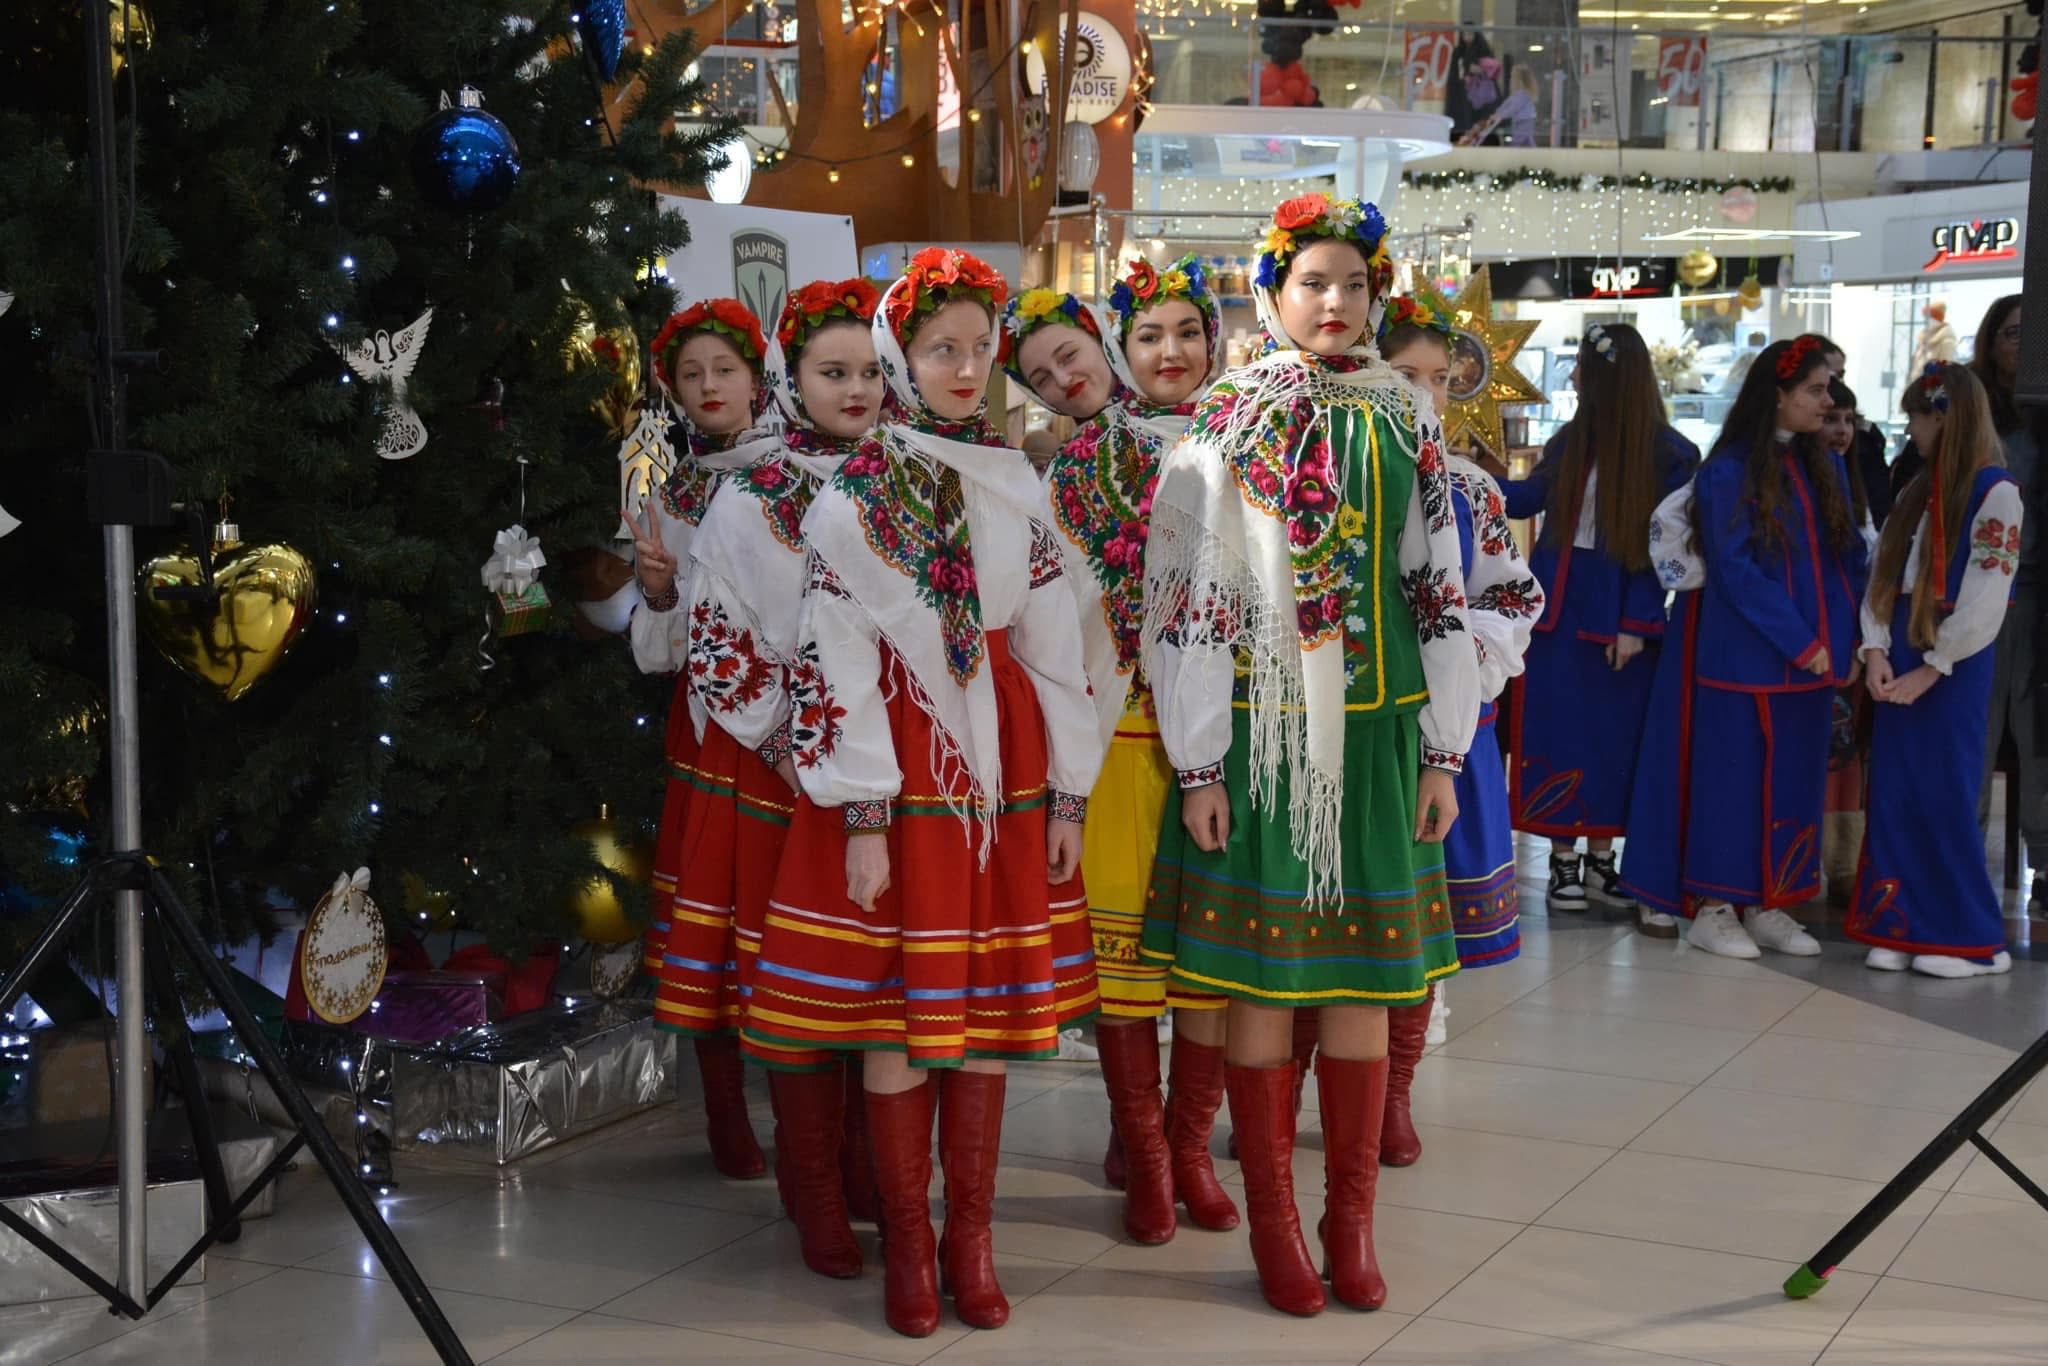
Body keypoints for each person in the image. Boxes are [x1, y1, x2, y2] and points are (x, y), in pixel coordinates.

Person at [739, 248, 1104, 1339]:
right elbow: (834, 654)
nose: (961, 366)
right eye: (939, 347)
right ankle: (907, 1238)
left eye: (976, 349)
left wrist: (1071, 793)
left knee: (982, 1017)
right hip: (899, 768)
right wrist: (861, 810)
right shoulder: (850, 497)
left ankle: (970, 1238)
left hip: (1004, 771)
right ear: (902, 356)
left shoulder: (1014, 484)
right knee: (900, 1015)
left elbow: (1052, 650)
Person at [1141, 192, 1479, 1317]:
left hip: (1378, 734)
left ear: (1377, 298)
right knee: (1256, 979)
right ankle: (1275, 1227)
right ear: (1270, 295)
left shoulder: (1404, 421)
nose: (1333, 304)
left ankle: (1348, 1220)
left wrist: (1444, 750)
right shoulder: (1224, 420)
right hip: (1257, 737)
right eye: (1311, 284)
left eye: (1352, 285)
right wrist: (1195, 764)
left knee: (1364, 981)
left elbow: (1436, 585)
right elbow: (1187, 600)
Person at [661, 279, 888, 1277]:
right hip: (786, 779)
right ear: (789, 382)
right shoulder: (750, 504)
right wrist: (807, 750)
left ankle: (864, 1167)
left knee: (876, 980)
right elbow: (717, 648)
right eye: (832, 372)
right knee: (801, 980)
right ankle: (813, 1189)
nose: (856, 389)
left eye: (870, 370)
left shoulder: (909, 479)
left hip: (890, 782)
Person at [1042, 254, 1238, 1244]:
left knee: (1205, 962)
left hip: (1228, 740)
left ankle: (1188, 1144)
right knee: (1122, 964)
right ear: (1124, 345)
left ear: (1214, 341)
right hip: (1120, 734)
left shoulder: (1249, 440)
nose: (1170, 352)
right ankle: (1144, 1153)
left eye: (1186, 333)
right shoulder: (1078, 463)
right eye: (1149, 335)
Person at [1376, 294, 1542, 1165]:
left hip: (1442, 724)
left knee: (1426, 901)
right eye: (1406, 375)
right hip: (1353, 720)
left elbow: (1510, 595)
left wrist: (1461, 653)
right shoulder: (1333, 470)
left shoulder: (1470, 488)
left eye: (1439, 381)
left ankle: (1395, 1086)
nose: (1425, 396)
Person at [628, 298, 785, 1181]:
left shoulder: (806, 473)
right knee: (714, 930)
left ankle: (816, 1123)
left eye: (723, 369)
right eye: (691, 376)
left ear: (758, 376)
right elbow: (662, 655)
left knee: (789, 923)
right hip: (711, 738)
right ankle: (728, 1115)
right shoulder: (671, 492)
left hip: (799, 740)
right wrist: (656, 592)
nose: (709, 387)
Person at [1501, 322, 1699, 935]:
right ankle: (1564, 863)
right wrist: (1467, 472)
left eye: (1584, 366)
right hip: (1555, 614)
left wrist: (1638, 621)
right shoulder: (1570, 442)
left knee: (1616, 743)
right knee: (1557, 736)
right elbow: (1527, 499)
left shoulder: (1671, 453)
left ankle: (1602, 860)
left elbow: (1664, 544)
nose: (1576, 377)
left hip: (1619, 616)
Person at [1676, 334, 1869, 960]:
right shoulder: (1729, 469)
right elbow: (1735, 571)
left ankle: (1770, 901)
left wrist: (1848, 642)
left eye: (1829, 388)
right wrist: (1804, 642)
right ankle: (1715, 906)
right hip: (1747, 660)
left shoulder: (1824, 464)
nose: (1827, 399)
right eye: (1814, 389)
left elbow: (1847, 562)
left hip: (1815, 662)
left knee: (1793, 786)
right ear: (1778, 395)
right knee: (1733, 787)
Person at [1849, 362, 2023, 976]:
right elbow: (1883, 575)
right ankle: (1900, 921)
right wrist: (1874, 649)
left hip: (1952, 661)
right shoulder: (1913, 491)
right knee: (1896, 793)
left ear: (1946, 418)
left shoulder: (1996, 491)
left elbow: (1986, 594)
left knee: (1945, 793)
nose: (1911, 430)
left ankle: (1972, 939)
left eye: (1918, 418)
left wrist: (1935, 664)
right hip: (1900, 650)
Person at [1964, 295, 2043, 915]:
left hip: (2039, 598)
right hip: (1981, 594)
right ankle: (1963, 856)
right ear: (1992, 343)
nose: (2023, 344)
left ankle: (2044, 864)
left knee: (2038, 735)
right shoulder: (1971, 415)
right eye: (2013, 333)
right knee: (1975, 730)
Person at [1819, 376, 1880, 906]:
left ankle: (1842, 864)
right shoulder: (1796, 483)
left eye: (1847, 420)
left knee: (1844, 758)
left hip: (1851, 642)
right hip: (1812, 643)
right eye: (1829, 417)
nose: (1839, 430)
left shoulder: (1855, 483)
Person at [1002, 288, 1117, 424]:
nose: (1062, 380)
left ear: (1100, 339)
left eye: (1069, 356)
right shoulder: (1083, 445)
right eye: (1042, 380)